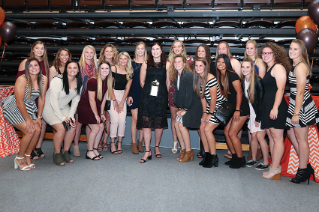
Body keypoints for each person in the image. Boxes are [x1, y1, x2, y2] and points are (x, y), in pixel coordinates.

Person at [2, 58, 48, 170]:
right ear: (27, 68)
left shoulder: (44, 79)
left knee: (37, 129)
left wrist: (39, 116)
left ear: (39, 67)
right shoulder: (22, 79)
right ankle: (19, 157)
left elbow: (42, 98)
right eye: (30, 66)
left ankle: (28, 156)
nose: (33, 68)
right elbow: (19, 102)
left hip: (29, 107)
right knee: (30, 130)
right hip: (13, 107)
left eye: (35, 65)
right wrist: (28, 120)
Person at [286, 39, 319, 183]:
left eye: (295, 49)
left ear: (302, 52)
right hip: (296, 102)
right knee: (291, 133)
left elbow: (300, 92)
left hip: (301, 106)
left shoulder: (300, 67)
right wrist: (290, 94)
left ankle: (303, 170)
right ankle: (306, 165)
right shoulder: (296, 65)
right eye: (291, 49)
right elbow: (297, 88)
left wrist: (296, 113)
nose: (291, 51)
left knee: (301, 139)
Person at [260, 42, 291, 179]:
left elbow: (281, 89)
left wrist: (275, 107)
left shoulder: (278, 67)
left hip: (276, 106)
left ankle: (275, 169)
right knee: (272, 136)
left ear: (275, 54)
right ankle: (274, 167)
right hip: (269, 105)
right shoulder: (269, 68)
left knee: (277, 138)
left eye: (269, 53)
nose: (265, 55)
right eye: (264, 53)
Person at [42, 61, 82, 166]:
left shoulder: (79, 82)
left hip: (64, 107)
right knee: (60, 129)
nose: (72, 70)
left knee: (72, 126)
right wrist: (62, 117)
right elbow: (53, 101)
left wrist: (70, 116)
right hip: (49, 107)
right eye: (70, 68)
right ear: (66, 69)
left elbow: (75, 101)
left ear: (78, 70)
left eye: (75, 68)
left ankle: (65, 152)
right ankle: (57, 154)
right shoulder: (57, 81)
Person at [17, 41, 49, 160]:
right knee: (30, 127)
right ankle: (26, 153)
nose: (40, 50)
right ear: (33, 50)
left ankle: (37, 148)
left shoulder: (44, 64)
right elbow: (20, 81)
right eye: (37, 48)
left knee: (41, 123)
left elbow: (44, 84)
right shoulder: (26, 62)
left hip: (39, 98)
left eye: (42, 48)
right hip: (26, 99)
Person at [216, 54, 249, 169]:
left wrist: (237, 110)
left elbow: (239, 93)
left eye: (223, 62)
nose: (220, 64)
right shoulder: (221, 75)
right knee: (226, 132)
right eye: (218, 62)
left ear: (227, 63)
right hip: (232, 108)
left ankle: (240, 159)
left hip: (241, 108)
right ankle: (234, 156)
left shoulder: (232, 75)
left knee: (232, 133)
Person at [137, 42, 169, 163]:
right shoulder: (146, 64)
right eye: (153, 49)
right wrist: (149, 93)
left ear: (161, 51)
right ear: (151, 51)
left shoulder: (167, 64)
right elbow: (142, 82)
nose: (155, 51)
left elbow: (167, 82)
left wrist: (164, 97)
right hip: (147, 98)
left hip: (161, 97)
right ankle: (147, 151)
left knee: (158, 123)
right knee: (146, 123)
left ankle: (156, 147)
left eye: (157, 49)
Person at [194, 57, 226, 168]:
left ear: (205, 67)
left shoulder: (210, 78)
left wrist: (210, 114)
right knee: (201, 128)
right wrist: (204, 113)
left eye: (200, 65)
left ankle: (213, 156)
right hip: (209, 107)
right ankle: (207, 155)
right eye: (196, 65)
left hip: (218, 107)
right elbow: (203, 98)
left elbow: (213, 98)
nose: (198, 68)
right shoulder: (198, 78)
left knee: (207, 130)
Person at [78, 61, 113, 160]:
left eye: (107, 68)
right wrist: (96, 115)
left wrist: (101, 113)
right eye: (102, 68)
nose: (104, 70)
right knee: (96, 128)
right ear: (99, 69)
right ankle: (89, 151)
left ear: (109, 70)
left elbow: (103, 100)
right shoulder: (93, 81)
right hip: (86, 107)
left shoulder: (107, 81)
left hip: (95, 108)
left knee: (102, 126)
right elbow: (91, 100)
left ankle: (94, 149)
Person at [172, 55, 202, 163]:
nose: (177, 64)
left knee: (181, 125)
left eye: (179, 62)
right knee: (176, 124)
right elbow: (179, 94)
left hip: (194, 106)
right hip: (186, 106)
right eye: (175, 62)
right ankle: (183, 149)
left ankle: (189, 151)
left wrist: (185, 110)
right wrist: (180, 108)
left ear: (184, 63)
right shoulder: (178, 75)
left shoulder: (188, 75)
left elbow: (189, 95)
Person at [241, 58, 269, 170]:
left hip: (260, 113)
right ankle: (253, 159)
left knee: (260, 137)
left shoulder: (257, 81)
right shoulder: (244, 81)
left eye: (247, 67)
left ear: (252, 68)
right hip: (252, 113)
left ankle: (266, 162)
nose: (245, 69)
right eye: (243, 67)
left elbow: (262, 101)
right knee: (253, 136)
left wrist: (258, 118)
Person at [167, 40, 194, 154]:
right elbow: (168, 81)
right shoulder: (169, 61)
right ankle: (176, 143)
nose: (177, 48)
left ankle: (186, 148)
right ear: (172, 49)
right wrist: (169, 94)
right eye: (174, 47)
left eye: (179, 46)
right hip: (174, 93)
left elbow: (191, 81)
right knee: (175, 120)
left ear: (182, 48)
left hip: (186, 94)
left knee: (182, 121)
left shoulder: (190, 61)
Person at [73, 45, 98, 156]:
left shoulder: (96, 67)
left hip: (91, 98)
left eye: (91, 52)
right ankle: (76, 145)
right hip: (79, 98)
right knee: (78, 123)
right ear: (84, 53)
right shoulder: (79, 66)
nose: (89, 54)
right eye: (87, 52)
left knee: (90, 123)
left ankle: (89, 145)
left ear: (94, 54)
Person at [109, 52, 133, 154]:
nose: (123, 61)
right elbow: (109, 85)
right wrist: (114, 101)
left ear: (128, 60)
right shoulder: (114, 68)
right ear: (118, 59)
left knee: (122, 121)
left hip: (123, 95)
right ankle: (112, 143)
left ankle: (119, 143)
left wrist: (122, 102)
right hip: (112, 94)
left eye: (125, 59)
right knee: (115, 121)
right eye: (121, 59)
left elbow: (127, 88)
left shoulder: (130, 71)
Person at [97, 44, 119, 151]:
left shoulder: (116, 65)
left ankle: (105, 141)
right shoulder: (98, 64)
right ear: (103, 53)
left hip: (110, 94)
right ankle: (97, 140)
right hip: (99, 94)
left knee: (108, 118)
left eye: (111, 51)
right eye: (107, 51)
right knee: (99, 117)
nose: (109, 53)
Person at [127, 42, 147, 154]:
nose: (140, 50)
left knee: (144, 119)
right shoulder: (132, 63)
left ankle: (140, 141)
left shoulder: (148, 63)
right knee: (135, 119)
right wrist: (129, 94)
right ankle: (133, 142)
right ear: (136, 50)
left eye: (142, 48)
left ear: (144, 50)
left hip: (145, 93)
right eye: (138, 48)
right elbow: (129, 80)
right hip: (134, 93)